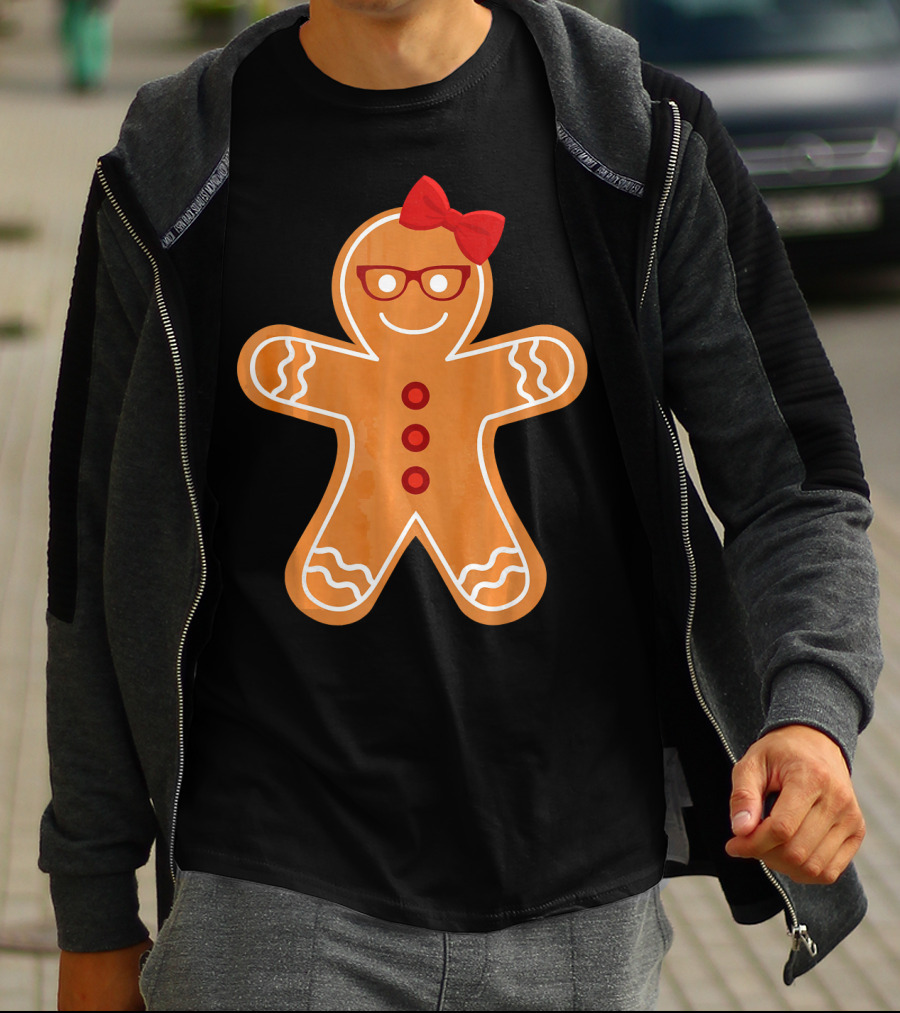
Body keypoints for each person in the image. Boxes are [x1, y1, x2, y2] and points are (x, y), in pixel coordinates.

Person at [41, 0, 881, 1009]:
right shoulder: (176, 166)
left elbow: (797, 479)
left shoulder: (635, 137)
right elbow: (90, 555)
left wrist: (813, 715)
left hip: (582, 896)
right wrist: (93, 907)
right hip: (269, 892)